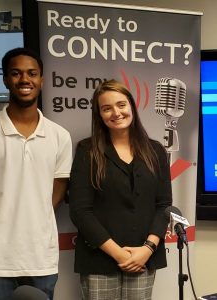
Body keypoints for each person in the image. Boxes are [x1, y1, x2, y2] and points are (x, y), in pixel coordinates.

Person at [0, 47, 72, 300]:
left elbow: (58, 189)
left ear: (42, 80)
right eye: (16, 73)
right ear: (5, 79)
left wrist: (33, 215)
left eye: (32, 73)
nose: (25, 80)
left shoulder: (60, 136)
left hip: (40, 258)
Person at [69, 79, 172, 300]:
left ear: (132, 106)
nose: (116, 112)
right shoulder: (87, 151)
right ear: (99, 115)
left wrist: (147, 249)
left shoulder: (155, 151)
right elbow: (80, 211)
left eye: (121, 105)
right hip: (100, 259)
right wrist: (119, 254)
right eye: (107, 108)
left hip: (143, 258)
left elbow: (164, 205)